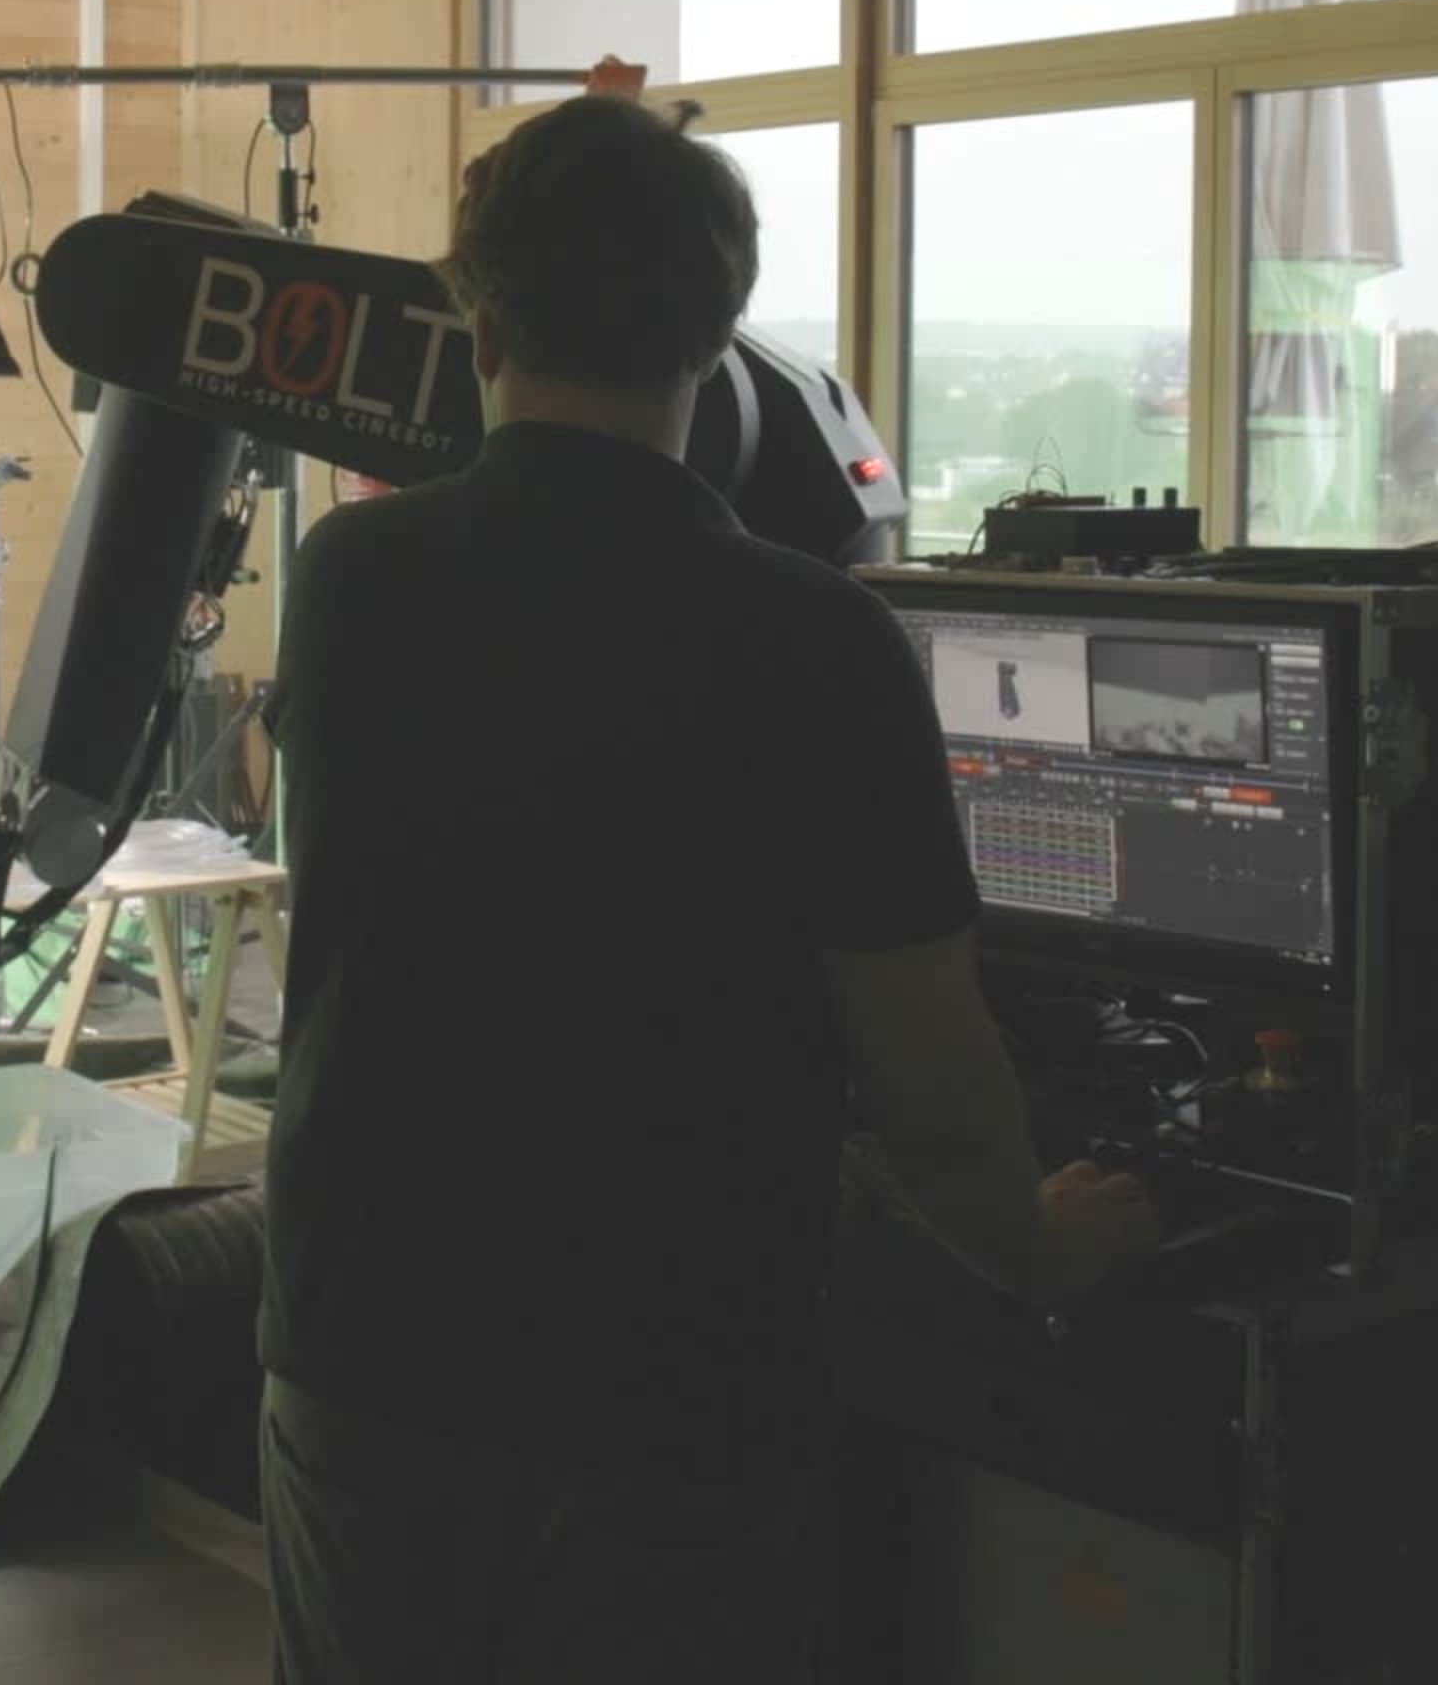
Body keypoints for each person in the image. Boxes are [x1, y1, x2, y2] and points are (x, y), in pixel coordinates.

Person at [255, 95, 1162, 1684]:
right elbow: (932, 1079)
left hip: (361, 1351)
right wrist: (1040, 1245)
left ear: (476, 315)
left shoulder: (346, 584)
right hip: (662, 1391)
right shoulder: (818, 641)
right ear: (722, 335)